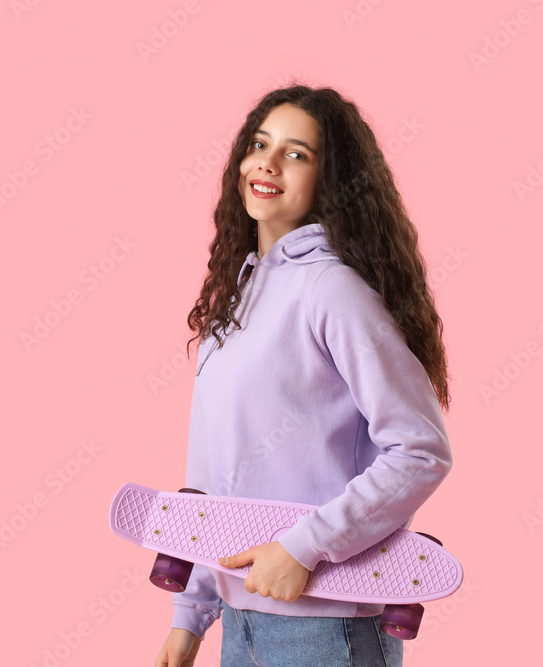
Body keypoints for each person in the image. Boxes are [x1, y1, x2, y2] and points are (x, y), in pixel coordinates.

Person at [154, 83, 454, 667]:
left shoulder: (329, 290)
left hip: (326, 629)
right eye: (259, 144)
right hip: (241, 620)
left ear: (329, 180)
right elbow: (212, 469)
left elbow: (420, 450)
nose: (267, 162)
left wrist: (303, 549)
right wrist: (191, 615)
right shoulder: (240, 294)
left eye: (296, 153)